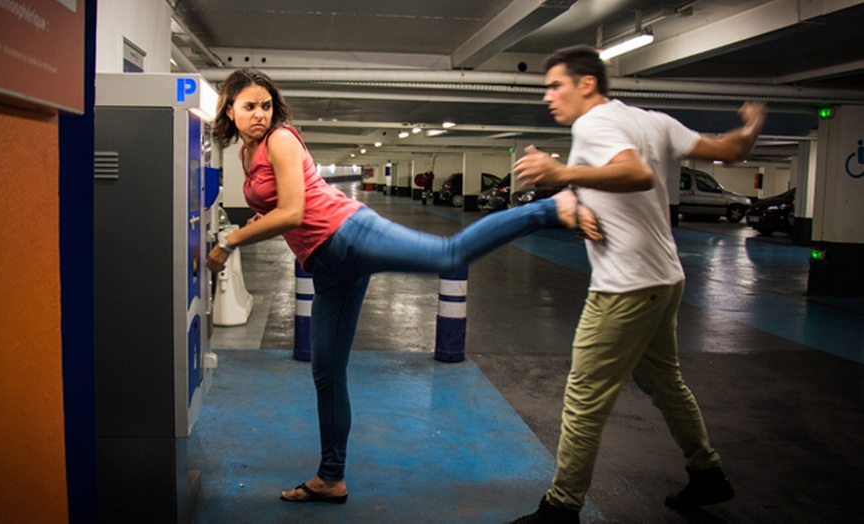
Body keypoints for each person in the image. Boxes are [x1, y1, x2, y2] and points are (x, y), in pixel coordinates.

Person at [205, 68, 603, 504]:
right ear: (230, 109)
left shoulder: (280, 139)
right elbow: (276, 208)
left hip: (349, 234)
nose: (260, 114)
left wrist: (230, 240)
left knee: (449, 256)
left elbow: (295, 212)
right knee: (326, 371)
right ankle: (330, 477)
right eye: (249, 106)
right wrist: (248, 227)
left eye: (265, 105)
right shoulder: (247, 152)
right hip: (326, 265)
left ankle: (550, 207)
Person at [507, 45, 766, 523]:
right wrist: (752, 123)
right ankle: (707, 472)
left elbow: (636, 173)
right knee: (664, 382)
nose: (548, 97)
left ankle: (561, 509)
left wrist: (562, 172)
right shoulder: (653, 121)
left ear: (587, 84)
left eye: (555, 85)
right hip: (665, 279)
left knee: (584, 396)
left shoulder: (592, 124)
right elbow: (731, 150)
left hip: (623, 288)